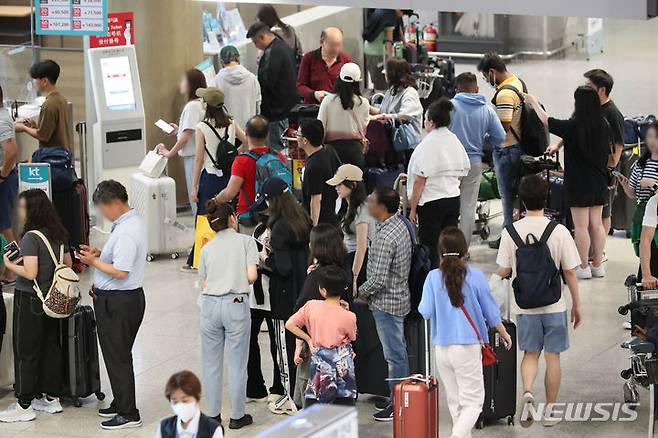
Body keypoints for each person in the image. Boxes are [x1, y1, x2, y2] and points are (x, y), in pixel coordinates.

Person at [496, 175, 582, 428]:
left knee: (530, 354)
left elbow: (502, 271)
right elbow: (570, 272)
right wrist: (577, 304)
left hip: (525, 306)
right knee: (553, 357)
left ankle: (528, 392)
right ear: (547, 198)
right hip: (554, 305)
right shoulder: (559, 231)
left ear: (521, 201)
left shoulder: (510, 232)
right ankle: (552, 410)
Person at [419, 227, 512, 438]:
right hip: (467, 348)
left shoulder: (433, 277)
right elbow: (491, 311)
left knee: (455, 402)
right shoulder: (475, 276)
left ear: (440, 251)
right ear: (464, 250)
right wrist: (504, 332)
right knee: (474, 403)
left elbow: (424, 311)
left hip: (442, 349)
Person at [78, 180, 146, 430]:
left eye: (103, 208)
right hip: (123, 301)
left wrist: (93, 263)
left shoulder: (128, 231)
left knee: (118, 357)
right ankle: (121, 400)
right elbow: (118, 258)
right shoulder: (128, 224)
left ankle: (129, 414)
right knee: (117, 354)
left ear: (116, 203)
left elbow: (121, 272)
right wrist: (99, 254)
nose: (102, 214)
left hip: (119, 303)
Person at [0, 189, 70, 423]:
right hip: (54, 300)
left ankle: (24, 404)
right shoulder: (59, 234)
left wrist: (10, 263)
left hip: (30, 298)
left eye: (22, 207)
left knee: (25, 350)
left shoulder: (31, 237)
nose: (19, 211)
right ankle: (52, 399)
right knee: (51, 346)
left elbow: (30, 272)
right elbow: (67, 264)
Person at [527, 86, 609, 279]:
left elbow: (547, 121)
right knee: (596, 225)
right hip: (599, 180)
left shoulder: (573, 126)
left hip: (579, 182)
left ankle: (583, 266)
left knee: (581, 226)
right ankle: (597, 265)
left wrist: (533, 101)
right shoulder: (603, 124)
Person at [196, 200, 258, 430]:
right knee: (237, 363)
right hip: (236, 305)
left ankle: (212, 415)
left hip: (210, 306)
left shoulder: (206, 248)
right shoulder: (246, 242)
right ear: (233, 219)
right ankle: (237, 416)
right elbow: (251, 276)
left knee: (211, 363)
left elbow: (203, 282)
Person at [254, 177, 312, 414]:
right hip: (305, 291)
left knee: (285, 349)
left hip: (284, 297)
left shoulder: (278, 228)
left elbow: (284, 267)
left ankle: (289, 397)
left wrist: (266, 261)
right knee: (303, 348)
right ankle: (301, 394)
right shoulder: (303, 219)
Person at [356, 187, 412, 421]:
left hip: (386, 304)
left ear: (381, 207)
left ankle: (398, 405)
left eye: (372, 200)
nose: (368, 203)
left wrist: (361, 292)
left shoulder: (386, 236)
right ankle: (398, 397)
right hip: (399, 297)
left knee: (395, 356)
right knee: (398, 352)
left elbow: (378, 278)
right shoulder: (399, 224)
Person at [179, 87, 247, 272]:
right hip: (229, 176)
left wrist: (194, 187)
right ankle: (230, 256)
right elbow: (246, 140)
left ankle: (200, 257)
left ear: (206, 105)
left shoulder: (202, 127)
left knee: (205, 216)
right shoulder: (231, 122)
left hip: (209, 177)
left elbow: (199, 159)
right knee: (229, 213)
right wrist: (235, 153)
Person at [292, 224, 351, 408]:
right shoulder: (343, 272)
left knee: (313, 398)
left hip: (316, 348)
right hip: (341, 351)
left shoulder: (316, 277)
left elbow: (300, 314)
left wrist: (300, 343)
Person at [407, 99, 470, 268]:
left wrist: (412, 209)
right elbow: (463, 170)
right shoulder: (454, 139)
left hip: (431, 203)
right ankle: (452, 278)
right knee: (450, 245)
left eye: (426, 120)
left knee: (430, 247)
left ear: (431, 122)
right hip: (452, 199)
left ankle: (432, 281)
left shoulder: (428, 144)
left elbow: (420, 181)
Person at [286, 265, 357, 407]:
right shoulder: (349, 316)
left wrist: (308, 339)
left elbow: (290, 324)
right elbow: (353, 336)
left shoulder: (311, 306)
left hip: (320, 360)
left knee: (315, 398)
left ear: (323, 290)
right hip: (342, 363)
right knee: (344, 402)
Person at [449, 72, 506, 246]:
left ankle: (447, 246)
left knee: (449, 204)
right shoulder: (487, 110)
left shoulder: (447, 107)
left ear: (457, 89)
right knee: (468, 206)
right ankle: (462, 249)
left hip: (449, 162)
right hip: (473, 163)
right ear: (477, 89)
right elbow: (501, 138)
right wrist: (483, 137)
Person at [476, 52, 525, 249]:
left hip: (506, 149)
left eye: (486, 76)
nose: (486, 80)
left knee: (506, 197)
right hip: (516, 146)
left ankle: (508, 237)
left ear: (492, 72)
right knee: (513, 194)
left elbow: (502, 128)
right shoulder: (516, 81)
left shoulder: (505, 93)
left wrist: (482, 136)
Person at [213, 115, 286, 235]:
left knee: (250, 251)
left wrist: (216, 199)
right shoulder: (278, 156)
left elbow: (230, 193)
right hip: (275, 215)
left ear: (246, 133)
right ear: (267, 134)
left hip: (249, 217)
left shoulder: (241, 161)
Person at [157, 69, 208, 217]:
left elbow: (186, 137)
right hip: (202, 155)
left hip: (194, 158)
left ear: (191, 84)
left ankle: (199, 232)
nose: (181, 84)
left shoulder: (192, 106)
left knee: (196, 198)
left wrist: (169, 153)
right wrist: (178, 131)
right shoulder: (201, 104)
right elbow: (192, 132)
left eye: (183, 80)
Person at [246, 222, 285, 404]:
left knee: (277, 343)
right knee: (249, 341)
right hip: (255, 294)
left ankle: (279, 387)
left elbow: (284, 266)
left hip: (275, 295)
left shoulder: (284, 229)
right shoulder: (259, 228)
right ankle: (254, 387)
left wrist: (266, 262)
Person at [583, 69, 625, 237]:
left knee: (604, 213)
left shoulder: (613, 114)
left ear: (601, 89)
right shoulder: (589, 108)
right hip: (590, 169)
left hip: (605, 172)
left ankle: (601, 248)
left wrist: (609, 163)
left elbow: (618, 147)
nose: (585, 89)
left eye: (589, 86)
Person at [247, 21, 298, 151]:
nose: (256, 46)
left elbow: (267, 81)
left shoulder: (272, 53)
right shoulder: (282, 47)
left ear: (262, 37)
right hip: (284, 110)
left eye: (255, 42)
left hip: (276, 113)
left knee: (278, 151)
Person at [326, 164, 376, 293]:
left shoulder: (361, 209)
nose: (336, 188)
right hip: (349, 258)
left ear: (353, 185)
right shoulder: (349, 206)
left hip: (359, 262)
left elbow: (362, 247)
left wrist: (353, 278)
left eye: (340, 184)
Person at [317, 63, 370, 169]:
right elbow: (363, 129)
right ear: (358, 82)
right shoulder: (363, 103)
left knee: (333, 184)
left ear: (339, 79)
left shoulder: (328, 101)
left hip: (332, 152)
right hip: (355, 152)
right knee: (355, 184)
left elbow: (320, 127)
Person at [619, 121, 658, 256]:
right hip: (641, 215)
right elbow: (633, 194)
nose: (652, 141)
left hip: (655, 215)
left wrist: (652, 184)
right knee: (643, 252)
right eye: (650, 136)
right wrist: (625, 186)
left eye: (656, 137)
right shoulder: (640, 164)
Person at [14, 60, 71, 150]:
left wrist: (24, 128)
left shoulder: (49, 105)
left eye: (35, 78)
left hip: (52, 156)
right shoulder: (61, 99)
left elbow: (43, 136)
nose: (33, 82)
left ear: (45, 81)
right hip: (62, 153)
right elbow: (51, 131)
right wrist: (35, 126)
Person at [297, 119, 340, 226]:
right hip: (332, 211)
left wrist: (314, 228)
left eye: (297, 134)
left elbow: (316, 200)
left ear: (305, 140)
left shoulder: (314, 166)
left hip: (322, 220)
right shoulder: (329, 150)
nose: (296, 137)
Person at [155, 370, 223, 438]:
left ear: (197, 398)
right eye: (175, 402)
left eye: (185, 401)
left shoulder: (212, 429)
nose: (180, 406)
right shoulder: (164, 427)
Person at [371, 58, 423, 144]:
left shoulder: (409, 93)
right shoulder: (392, 90)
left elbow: (404, 116)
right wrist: (365, 106)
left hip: (407, 144)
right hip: (393, 141)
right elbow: (383, 111)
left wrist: (380, 117)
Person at [297, 27, 353, 104]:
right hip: (314, 107)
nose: (336, 49)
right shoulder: (309, 58)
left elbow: (352, 87)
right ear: (321, 42)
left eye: (339, 45)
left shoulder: (346, 60)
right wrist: (314, 94)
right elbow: (300, 86)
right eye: (332, 45)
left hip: (337, 107)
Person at [215, 45, 262, 129]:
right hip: (249, 130)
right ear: (239, 60)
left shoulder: (217, 81)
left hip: (228, 131)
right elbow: (258, 105)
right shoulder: (252, 78)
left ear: (221, 62)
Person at [0, 85, 18, 284]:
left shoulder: (2, 120)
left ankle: (13, 270)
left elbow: (11, 151)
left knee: (4, 228)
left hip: (4, 181)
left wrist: (3, 175)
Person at [362, 9, 406, 90]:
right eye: (403, 13)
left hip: (369, 50)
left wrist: (405, 43)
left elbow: (399, 28)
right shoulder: (389, 18)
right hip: (378, 53)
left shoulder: (382, 12)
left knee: (376, 80)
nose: (402, 16)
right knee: (382, 82)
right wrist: (390, 60)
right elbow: (389, 41)